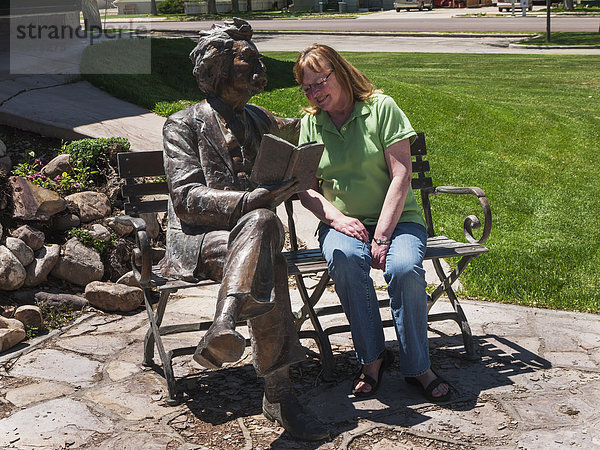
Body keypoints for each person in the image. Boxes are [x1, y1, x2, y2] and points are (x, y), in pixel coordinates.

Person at [159, 19, 328, 441]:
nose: (259, 67)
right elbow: (186, 200)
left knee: (261, 227)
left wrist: (345, 100)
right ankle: (280, 393)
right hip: (200, 240)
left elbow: (304, 128)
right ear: (219, 67)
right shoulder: (182, 124)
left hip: (251, 235)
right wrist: (245, 201)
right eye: (248, 60)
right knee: (263, 231)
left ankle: (225, 324)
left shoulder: (257, 116)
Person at [293, 44, 451, 402]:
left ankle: (418, 367)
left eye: (321, 82)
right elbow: (306, 190)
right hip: (342, 224)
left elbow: (402, 174)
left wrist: (382, 236)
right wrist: (337, 218)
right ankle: (372, 358)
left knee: (405, 266)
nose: (316, 93)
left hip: (399, 221)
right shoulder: (310, 124)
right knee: (346, 260)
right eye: (308, 88)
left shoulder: (382, 109)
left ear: (340, 72)